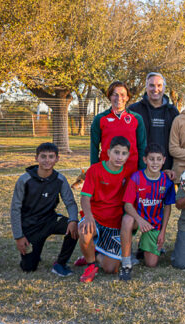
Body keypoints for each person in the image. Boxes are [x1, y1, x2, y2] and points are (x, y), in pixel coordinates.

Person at [10, 142, 79, 276]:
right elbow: (15, 209)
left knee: (77, 228)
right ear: (36, 158)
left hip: (50, 220)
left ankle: (60, 263)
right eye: (43, 156)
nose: (47, 160)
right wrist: (19, 236)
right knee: (28, 268)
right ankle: (35, 250)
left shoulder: (60, 179)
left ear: (57, 159)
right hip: (30, 225)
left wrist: (73, 220)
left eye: (51, 157)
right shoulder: (24, 180)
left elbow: (70, 203)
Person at [78, 136, 134, 282]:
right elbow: (84, 197)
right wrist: (89, 216)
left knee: (111, 269)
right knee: (85, 230)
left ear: (128, 155)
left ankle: (92, 254)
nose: (119, 157)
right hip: (95, 217)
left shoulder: (129, 172)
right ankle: (91, 265)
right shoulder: (95, 170)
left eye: (123, 153)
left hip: (114, 223)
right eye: (116, 152)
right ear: (108, 152)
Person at [119, 143, 176, 280]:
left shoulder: (167, 181)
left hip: (154, 223)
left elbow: (167, 207)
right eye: (151, 159)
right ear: (145, 160)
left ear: (163, 160)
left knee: (151, 264)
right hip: (137, 220)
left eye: (158, 159)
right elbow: (127, 205)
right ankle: (126, 263)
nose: (155, 162)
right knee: (127, 219)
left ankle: (143, 246)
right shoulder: (136, 178)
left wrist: (163, 231)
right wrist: (140, 220)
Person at [90, 81, 146, 174]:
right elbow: (94, 147)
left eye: (122, 95)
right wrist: (94, 170)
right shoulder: (100, 119)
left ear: (127, 97)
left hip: (131, 170)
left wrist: (142, 170)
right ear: (110, 97)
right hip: (107, 170)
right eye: (115, 94)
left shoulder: (136, 118)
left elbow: (142, 146)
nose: (119, 98)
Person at [128, 72, 179, 173]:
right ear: (146, 87)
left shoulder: (172, 111)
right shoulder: (134, 110)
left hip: (166, 169)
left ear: (164, 88)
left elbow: (177, 142)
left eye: (159, 85)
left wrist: (172, 168)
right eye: (151, 85)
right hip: (140, 169)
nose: (155, 89)